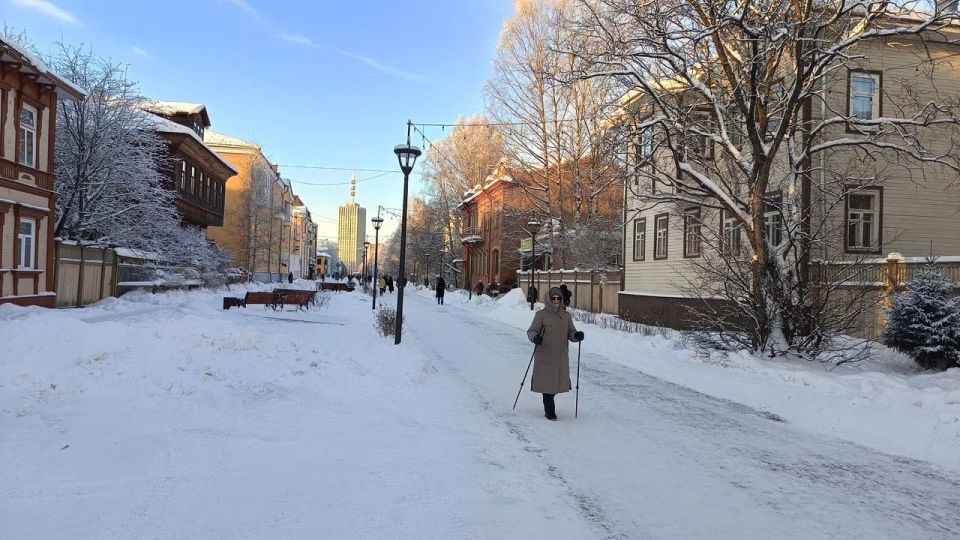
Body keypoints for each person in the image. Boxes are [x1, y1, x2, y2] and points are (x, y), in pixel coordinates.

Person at [526, 287, 584, 421]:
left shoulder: (566, 316)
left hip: (561, 356)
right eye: (553, 298)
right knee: (547, 384)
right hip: (545, 355)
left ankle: (550, 406)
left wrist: (577, 335)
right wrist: (535, 338)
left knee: (557, 382)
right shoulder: (541, 315)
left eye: (559, 298)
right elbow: (531, 331)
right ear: (549, 299)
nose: (556, 300)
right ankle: (549, 411)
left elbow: (571, 333)